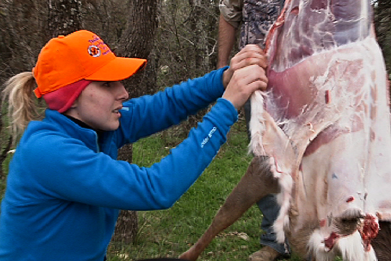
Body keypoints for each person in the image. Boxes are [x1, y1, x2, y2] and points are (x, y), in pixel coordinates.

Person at [0, 30, 268, 261]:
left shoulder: (96, 125)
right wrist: (227, 107)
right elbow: (156, 188)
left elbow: (168, 104)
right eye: (107, 84)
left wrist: (223, 78)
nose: (123, 92)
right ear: (71, 96)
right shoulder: (48, 152)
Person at [218, 0, 290, 261]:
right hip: (258, 80)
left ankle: (315, 237)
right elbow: (229, 14)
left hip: (305, 77)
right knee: (265, 160)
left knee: (311, 159)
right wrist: (222, 69)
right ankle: (275, 241)